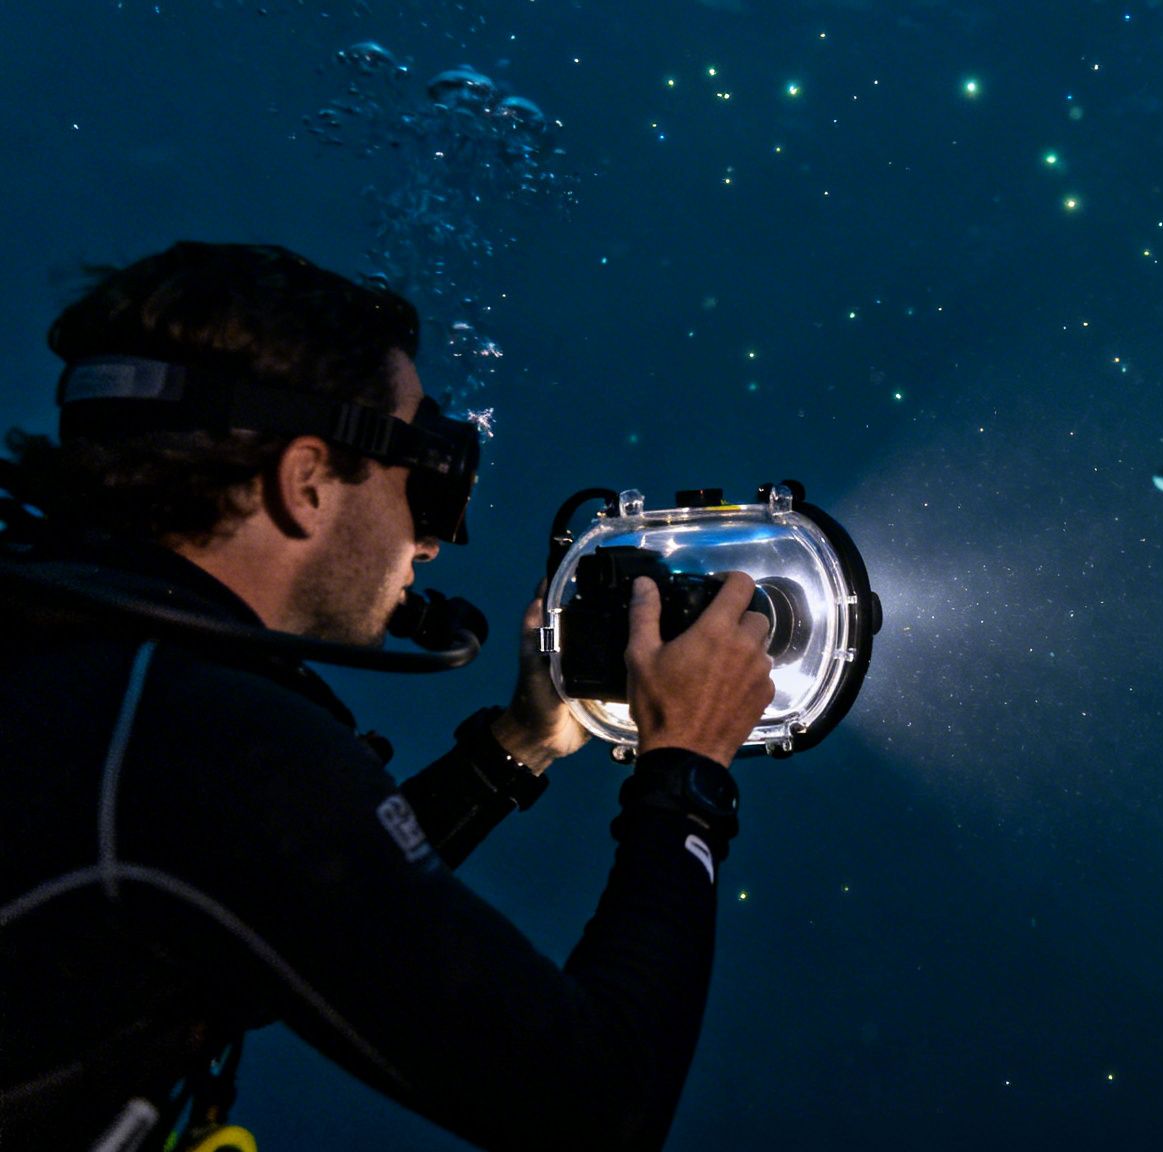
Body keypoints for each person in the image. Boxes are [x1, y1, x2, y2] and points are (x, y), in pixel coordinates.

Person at [0, 242, 775, 1150]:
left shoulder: (88, 673)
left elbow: (303, 888)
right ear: (306, 482)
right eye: (429, 473)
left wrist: (516, 747)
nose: (436, 539)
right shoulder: (201, 735)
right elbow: (597, 1100)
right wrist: (686, 771)